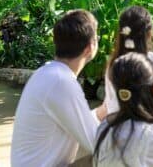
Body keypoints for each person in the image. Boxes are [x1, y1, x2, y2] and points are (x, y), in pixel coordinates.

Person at [11, 10, 107, 167]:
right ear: (90, 47)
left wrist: (102, 111)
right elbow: (97, 144)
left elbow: (75, 122)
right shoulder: (62, 82)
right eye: (96, 37)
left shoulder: (47, 73)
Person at [104, 6, 153, 115]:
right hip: (151, 123)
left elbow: (110, 102)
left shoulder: (114, 64)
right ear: (149, 34)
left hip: (117, 124)